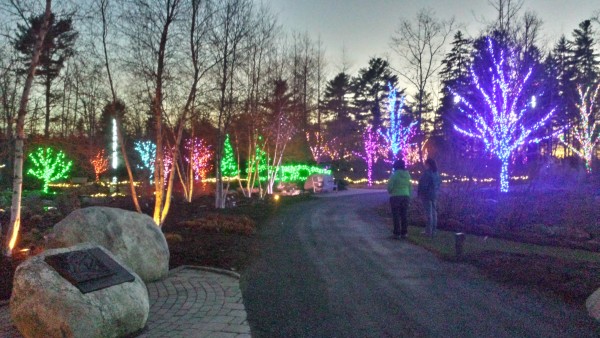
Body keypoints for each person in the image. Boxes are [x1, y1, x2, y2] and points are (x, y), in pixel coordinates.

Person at [387, 159, 412, 239]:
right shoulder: (408, 175)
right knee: (404, 215)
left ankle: (397, 233)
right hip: (406, 196)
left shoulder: (394, 175)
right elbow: (410, 186)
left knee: (396, 215)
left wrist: (390, 191)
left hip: (395, 196)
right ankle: (404, 232)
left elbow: (390, 186)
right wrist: (409, 194)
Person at [418, 158, 441, 237]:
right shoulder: (436, 173)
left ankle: (428, 231)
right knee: (434, 213)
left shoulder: (427, 174)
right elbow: (438, 184)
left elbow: (423, 185)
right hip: (434, 194)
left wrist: (421, 193)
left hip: (427, 195)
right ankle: (433, 231)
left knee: (428, 214)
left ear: (428, 164)